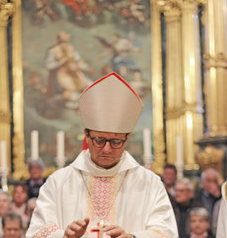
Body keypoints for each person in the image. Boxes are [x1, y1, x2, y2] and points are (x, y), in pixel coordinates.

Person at [26, 72, 178, 238]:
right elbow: (37, 232)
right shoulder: (59, 182)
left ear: (126, 138)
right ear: (87, 135)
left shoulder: (149, 183)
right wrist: (64, 236)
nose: (106, 149)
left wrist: (132, 237)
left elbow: (166, 232)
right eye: (99, 140)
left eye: (115, 142)